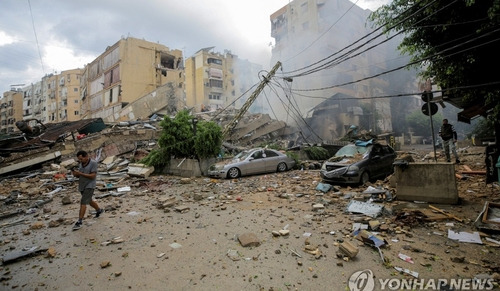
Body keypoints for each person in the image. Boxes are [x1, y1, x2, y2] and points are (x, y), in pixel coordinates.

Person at [71, 150, 104, 230]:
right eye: (79, 159)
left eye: (81, 159)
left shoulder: (93, 163)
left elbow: (92, 176)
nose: (80, 161)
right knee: (88, 200)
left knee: (83, 202)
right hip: (82, 185)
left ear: (86, 157)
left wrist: (80, 174)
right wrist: (75, 174)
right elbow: (79, 176)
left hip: (90, 185)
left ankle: (79, 221)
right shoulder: (81, 164)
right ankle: (99, 210)